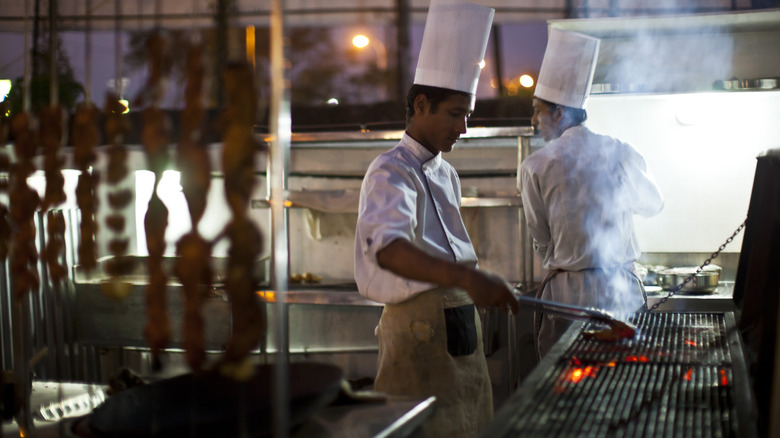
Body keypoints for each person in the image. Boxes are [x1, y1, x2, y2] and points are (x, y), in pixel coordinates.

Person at [354, 1, 519, 436]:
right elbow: (389, 251)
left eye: (467, 115)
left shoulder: (446, 173)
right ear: (421, 103)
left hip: (461, 327)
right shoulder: (390, 171)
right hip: (418, 332)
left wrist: (469, 284)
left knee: (471, 424)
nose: (462, 128)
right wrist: (468, 278)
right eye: (454, 114)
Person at [519, 29, 664, 359]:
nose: (534, 120)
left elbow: (541, 239)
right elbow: (653, 204)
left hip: (565, 297)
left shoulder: (536, 164)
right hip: (619, 290)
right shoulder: (619, 151)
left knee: (567, 385)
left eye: (538, 110)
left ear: (558, 113)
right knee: (624, 380)